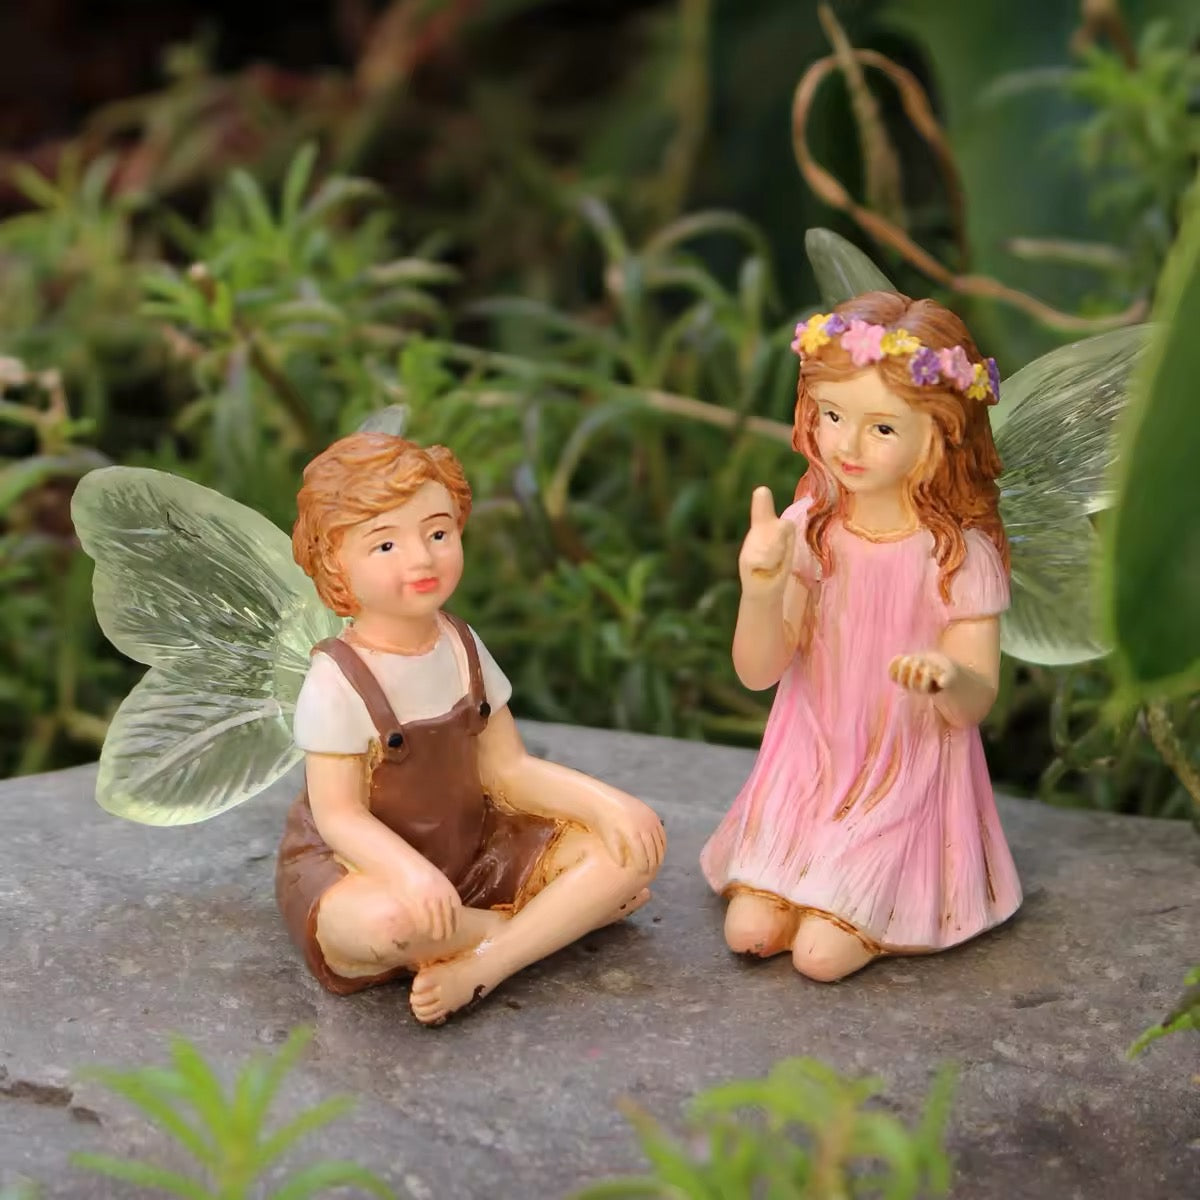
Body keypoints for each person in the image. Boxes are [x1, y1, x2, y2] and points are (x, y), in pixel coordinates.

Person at [277, 432, 666, 1024]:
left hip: (477, 848)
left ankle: (484, 964)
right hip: (369, 869)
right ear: (336, 563)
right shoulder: (339, 678)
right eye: (386, 544)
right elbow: (340, 817)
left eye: (437, 534)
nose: (421, 560)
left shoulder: (460, 644)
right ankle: (547, 925)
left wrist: (609, 806)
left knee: (631, 849)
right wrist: (409, 874)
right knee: (388, 924)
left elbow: (508, 770)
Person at [700, 290, 1022, 983]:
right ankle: (800, 871)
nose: (845, 445)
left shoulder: (957, 556)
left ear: (937, 436)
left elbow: (974, 703)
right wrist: (760, 590)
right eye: (832, 415)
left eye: (881, 428)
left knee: (820, 955)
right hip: (807, 765)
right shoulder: (810, 526)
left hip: (906, 775)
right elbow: (759, 670)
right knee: (750, 930)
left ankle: (868, 898)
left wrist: (948, 676)